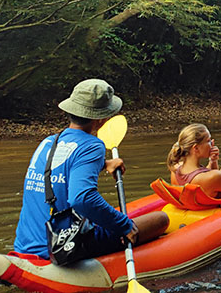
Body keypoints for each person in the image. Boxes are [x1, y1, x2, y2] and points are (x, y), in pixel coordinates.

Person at [13, 79, 168, 260]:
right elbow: (82, 198)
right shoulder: (92, 145)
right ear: (101, 119)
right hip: (62, 245)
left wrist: (104, 164)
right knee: (160, 219)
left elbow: (60, 168)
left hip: (25, 245)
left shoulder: (47, 142)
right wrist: (124, 225)